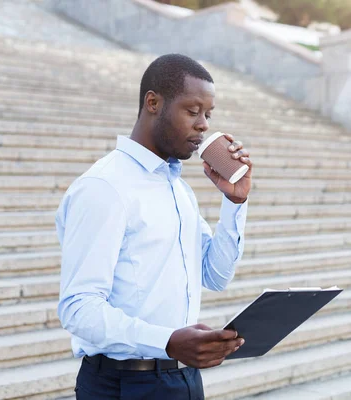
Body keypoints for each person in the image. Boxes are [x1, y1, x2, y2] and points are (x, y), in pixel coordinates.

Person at [55, 53, 253, 399]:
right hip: (125, 383)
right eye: (193, 111)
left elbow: (215, 275)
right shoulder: (105, 187)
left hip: (183, 378)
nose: (204, 124)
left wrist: (235, 202)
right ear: (153, 103)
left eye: (208, 114)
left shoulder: (178, 188)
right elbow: (79, 307)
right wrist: (168, 341)